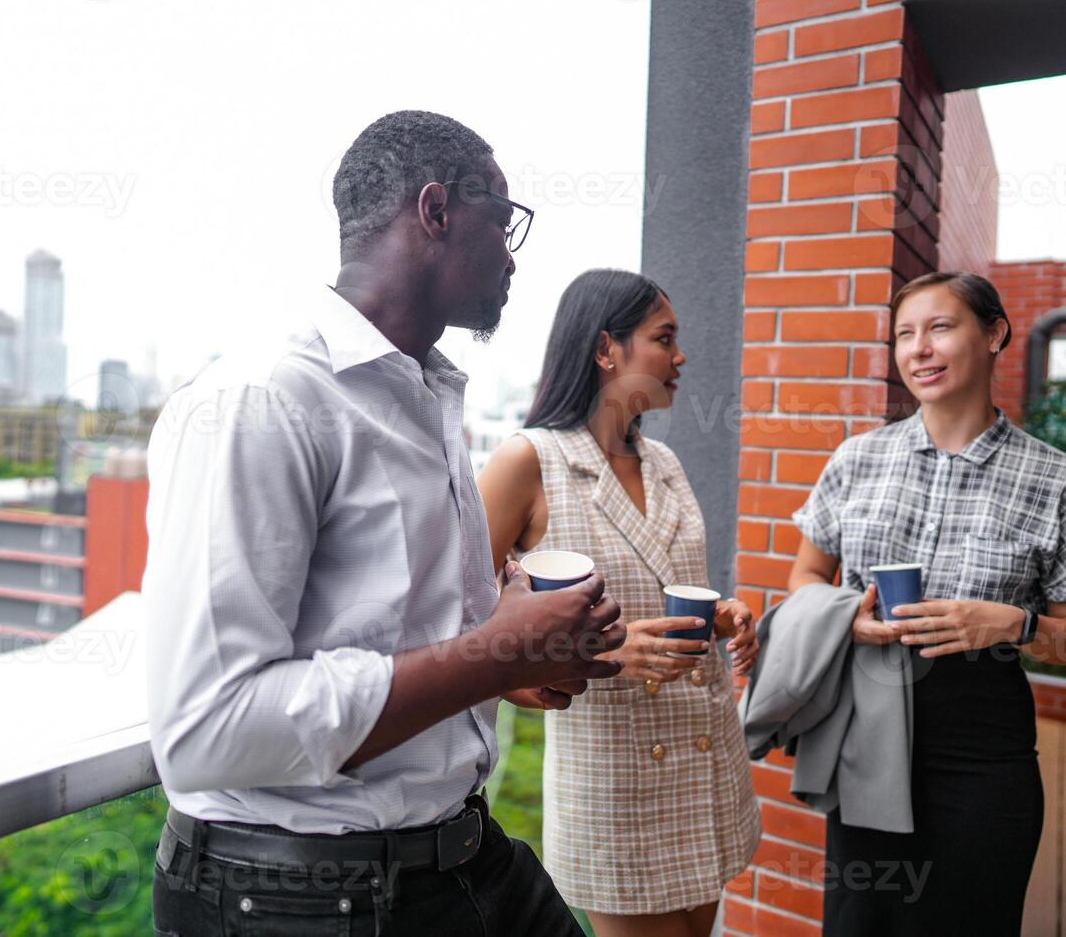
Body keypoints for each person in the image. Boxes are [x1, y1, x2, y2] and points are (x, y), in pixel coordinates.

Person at [142, 110, 628, 937]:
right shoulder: (261, 402)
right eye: (503, 221)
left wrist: (510, 658)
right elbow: (207, 731)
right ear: (435, 211)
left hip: (458, 858)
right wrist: (499, 649)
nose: (513, 256)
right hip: (298, 899)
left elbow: (389, 630)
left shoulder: (425, 394)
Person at [787, 271, 1066, 935]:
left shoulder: (1058, 479)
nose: (919, 350)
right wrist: (844, 614)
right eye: (904, 334)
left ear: (994, 333)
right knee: (862, 921)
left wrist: (1014, 623)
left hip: (982, 743)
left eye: (939, 327)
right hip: (868, 727)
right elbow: (804, 580)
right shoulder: (857, 459)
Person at [478, 269, 761, 937]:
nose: (681, 356)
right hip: (615, 774)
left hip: (705, 756)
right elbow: (462, 619)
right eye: (665, 338)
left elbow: (661, 582)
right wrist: (605, 648)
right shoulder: (528, 461)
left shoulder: (664, 460)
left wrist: (722, 614)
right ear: (608, 349)